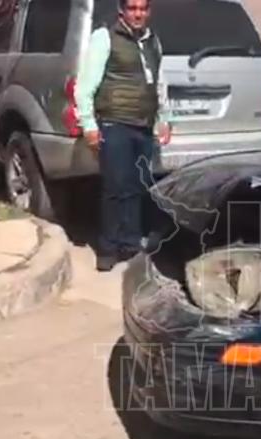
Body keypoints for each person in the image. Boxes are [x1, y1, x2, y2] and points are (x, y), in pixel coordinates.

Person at [75, 0, 170, 272]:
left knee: (136, 187)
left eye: (142, 8)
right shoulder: (104, 38)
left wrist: (164, 118)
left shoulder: (153, 41)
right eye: (132, 8)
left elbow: (159, 83)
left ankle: (130, 243)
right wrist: (89, 125)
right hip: (114, 124)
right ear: (122, 11)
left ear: (148, 11)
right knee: (115, 188)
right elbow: (84, 87)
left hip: (144, 126)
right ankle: (107, 249)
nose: (138, 13)